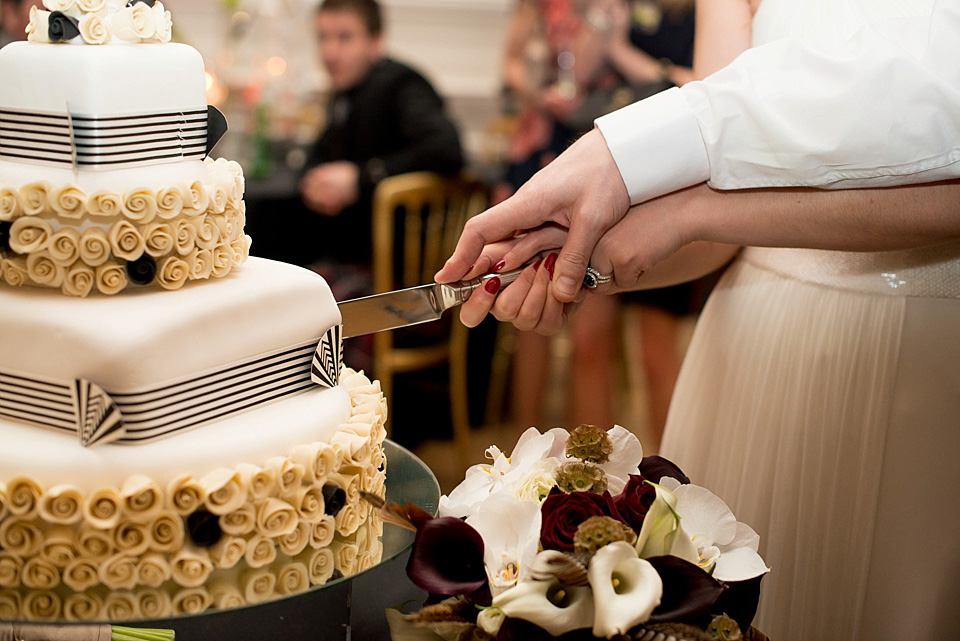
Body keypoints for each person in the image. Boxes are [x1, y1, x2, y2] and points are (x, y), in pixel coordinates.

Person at [436, 0, 960, 639]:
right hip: (762, 351)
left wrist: (687, 211)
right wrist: (575, 259)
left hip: (939, 365)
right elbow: (717, 228)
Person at [248, 0, 464, 301]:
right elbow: (319, 158)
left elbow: (446, 148)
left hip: (398, 271)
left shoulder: (400, 85)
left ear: (376, 42)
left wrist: (360, 178)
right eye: (323, 37)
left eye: (344, 37)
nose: (330, 52)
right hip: (349, 248)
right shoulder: (345, 93)